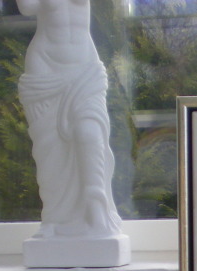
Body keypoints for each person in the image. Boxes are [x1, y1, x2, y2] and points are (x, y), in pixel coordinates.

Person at [18, 0, 123, 239]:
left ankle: (96, 210)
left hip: (84, 67)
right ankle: (54, 219)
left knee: (90, 133)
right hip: (45, 67)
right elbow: (27, 7)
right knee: (50, 150)